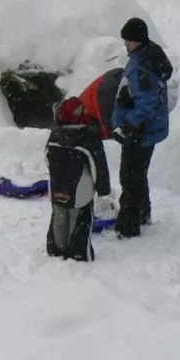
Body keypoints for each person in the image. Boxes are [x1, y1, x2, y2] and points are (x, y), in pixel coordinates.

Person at [110, 17, 172, 237]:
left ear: (138, 40)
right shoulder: (149, 56)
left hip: (140, 131)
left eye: (128, 40)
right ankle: (142, 214)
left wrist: (129, 125)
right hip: (149, 129)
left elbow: (147, 103)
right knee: (138, 174)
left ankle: (128, 226)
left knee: (130, 177)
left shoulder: (142, 65)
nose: (126, 44)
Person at [45, 97, 111, 261]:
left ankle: (57, 248)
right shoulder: (88, 138)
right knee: (80, 220)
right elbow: (98, 166)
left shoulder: (55, 135)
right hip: (81, 190)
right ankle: (78, 252)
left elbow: (47, 158)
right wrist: (103, 189)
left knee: (59, 218)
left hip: (57, 187)